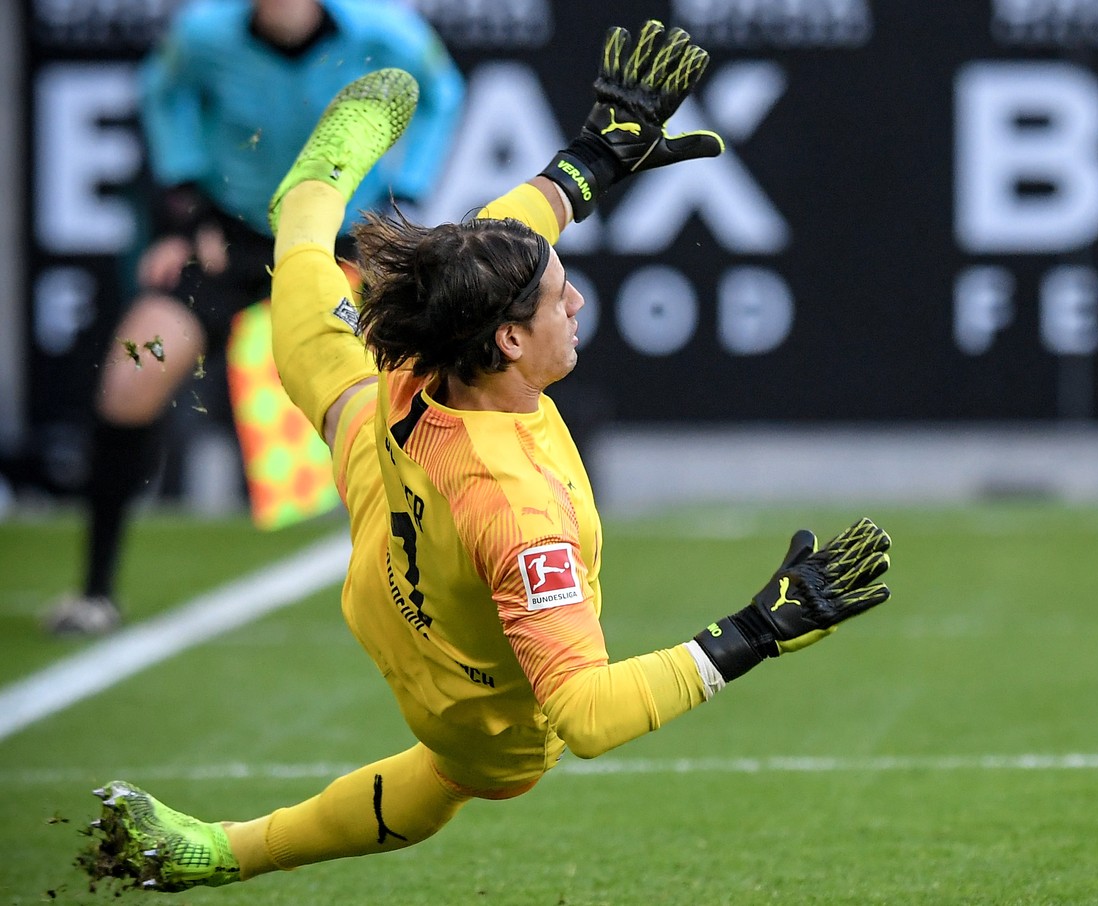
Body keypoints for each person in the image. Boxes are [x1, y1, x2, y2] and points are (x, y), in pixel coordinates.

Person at [78, 22, 892, 893]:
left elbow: (502, 234)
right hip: (468, 699)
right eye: (554, 298)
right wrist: (757, 630)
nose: (574, 300)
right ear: (509, 338)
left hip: (381, 489)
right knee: (463, 777)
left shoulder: (419, 350)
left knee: (305, 265)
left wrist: (592, 159)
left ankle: (315, 178)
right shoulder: (518, 510)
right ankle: (232, 851)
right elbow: (586, 716)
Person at [43, 0, 465, 636]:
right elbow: (162, 91)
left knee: (426, 391)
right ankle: (96, 591)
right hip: (228, 238)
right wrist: (182, 208)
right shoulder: (203, 33)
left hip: (346, 239)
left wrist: (409, 192)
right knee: (132, 376)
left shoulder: (385, 30)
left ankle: (454, 588)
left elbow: (443, 91)